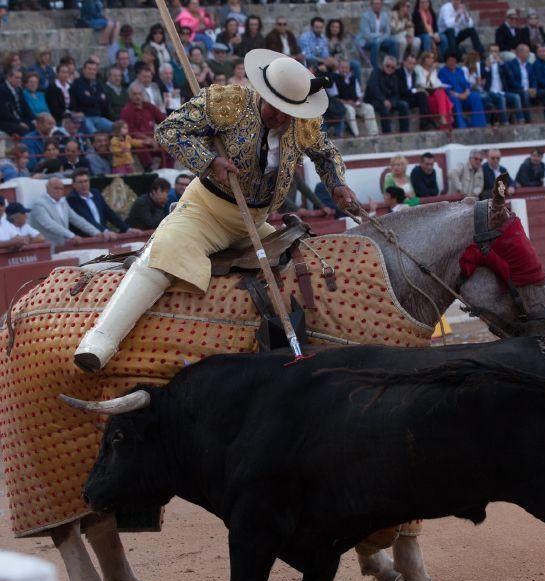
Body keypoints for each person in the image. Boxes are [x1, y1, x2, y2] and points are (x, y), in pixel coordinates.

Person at [74, 49, 358, 372]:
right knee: (164, 251)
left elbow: (325, 153)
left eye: (289, 113)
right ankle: (100, 340)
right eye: (277, 110)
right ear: (264, 94)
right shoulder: (228, 102)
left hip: (256, 220)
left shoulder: (300, 122)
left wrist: (336, 183)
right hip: (206, 212)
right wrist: (209, 162)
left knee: (299, 261)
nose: (283, 119)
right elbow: (168, 130)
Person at [29, 177, 108, 246]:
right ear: (47, 188)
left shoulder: (63, 203)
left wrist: (96, 232)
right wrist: (71, 236)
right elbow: (50, 224)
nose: (59, 191)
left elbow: (77, 220)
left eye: (61, 188)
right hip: (46, 248)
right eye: (56, 188)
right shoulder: (39, 205)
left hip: (62, 246)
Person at [66, 168, 137, 237]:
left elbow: (109, 213)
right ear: (74, 184)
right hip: (85, 238)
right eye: (80, 182)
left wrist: (127, 229)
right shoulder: (72, 199)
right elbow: (87, 219)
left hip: (103, 236)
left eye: (86, 181)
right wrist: (105, 232)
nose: (84, 184)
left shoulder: (95, 193)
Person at [120, 83, 166, 170]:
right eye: (135, 94)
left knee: (168, 146)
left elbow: (163, 120)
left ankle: (165, 170)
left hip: (153, 139)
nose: (138, 97)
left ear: (143, 95)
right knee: (140, 146)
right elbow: (130, 131)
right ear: (130, 96)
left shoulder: (149, 106)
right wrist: (147, 140)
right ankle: (148, 169)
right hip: (136, 141)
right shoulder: (126, 111)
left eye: (140, 94)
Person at [438, 51, 486, 128]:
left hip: (464, 95)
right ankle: (461, 126)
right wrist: (459, 95)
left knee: (475, 96)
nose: (452, 62)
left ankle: (478, 124)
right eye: (450, 60)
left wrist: (467, 92)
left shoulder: (459, 71)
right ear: (446, 62)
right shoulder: (442, 72)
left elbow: (466, 84)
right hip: (453, 96)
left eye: (453, 60)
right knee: (455, 100)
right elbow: (445, 88)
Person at [332, 58, 379, 136]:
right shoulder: (334, 78)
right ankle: (356, 134)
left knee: (369, 108)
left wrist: (359, 102)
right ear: (338, 68)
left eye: (346, 68)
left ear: (349, 69)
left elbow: (359, 95)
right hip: (343, 104)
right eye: (342, 67)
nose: (344, 70)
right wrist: (347, 102)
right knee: (350, 110)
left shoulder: (353, 78)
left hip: (354, 103)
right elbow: (334, 98)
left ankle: (373, 134)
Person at [365, 57, 411, 134]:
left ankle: (404, 132)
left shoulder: (394, 76)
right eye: (388, 66)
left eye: (392, 67)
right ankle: (387, 133)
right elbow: (374, 89)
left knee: (404, 105)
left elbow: (396, 94)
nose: (390, 68)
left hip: (389, 100)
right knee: (384, 108)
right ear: (383, 65)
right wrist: (383, 100)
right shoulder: (376, 73)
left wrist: (391, 102)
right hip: (375, 100)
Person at [482, 45, 523, 124]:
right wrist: (487, 67)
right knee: (501, 99)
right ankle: (504, 122)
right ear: (489, 53)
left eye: (496, 51)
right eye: (492, 51)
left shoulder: (503, 64)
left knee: (516, 97)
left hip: (502, 91)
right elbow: (482, 79)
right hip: (490, 92)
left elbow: (510, 77)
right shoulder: (483, 64)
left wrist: (501, 63)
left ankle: (521, 119)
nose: (494, 54)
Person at [504, 44, 545, 123]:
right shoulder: (510, 64)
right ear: (520, 53)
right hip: (516, 89)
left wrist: (534, 88)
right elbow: (511, 81)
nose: (529, 54)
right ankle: (527, 120)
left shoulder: (529, 65)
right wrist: (525, 89)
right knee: (524, 94)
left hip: (529, 90)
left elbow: (533, 79)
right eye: (527, 52)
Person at [71, 60, 112, 134]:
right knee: (94, 134)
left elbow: (105, 101)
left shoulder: (98, 83)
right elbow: (84, 99)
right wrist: (99, 98)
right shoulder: (78, 82)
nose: (91, 72)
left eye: (94, 69)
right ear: (84, 70)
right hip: (84, 117)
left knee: (116, 128)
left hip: (98, 117)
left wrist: (92, 98)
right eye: (89, 69)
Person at [414, 51, 452, 128]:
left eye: (433, 58)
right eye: (429, 58)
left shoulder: (434, 71)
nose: (432, 60)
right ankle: (444, 120)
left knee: (442, 93)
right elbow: (422, 83)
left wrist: (441, 86)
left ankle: (443, 119)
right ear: (424, 59)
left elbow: (438, 83)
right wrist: (431, 70)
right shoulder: (418, 68)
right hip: (426, 96)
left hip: (436, 97)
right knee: (442, 96)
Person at [0, 67, 33, 135]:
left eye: (20, 78)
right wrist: (18, 122)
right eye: (17, 78)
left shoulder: (19, 90)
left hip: (19, 119)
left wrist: (34, 119)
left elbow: (25, 106)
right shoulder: (0, 90)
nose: (19, 80)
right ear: (9, 78)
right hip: (5, 121)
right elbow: (3, 112)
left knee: (39, 126)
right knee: (23, 129)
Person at [398, 54, 436, 130]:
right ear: (404, 63)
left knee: (422, 95)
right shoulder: (399, 73)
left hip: (409, 97)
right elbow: (401, 91)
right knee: (421, 93)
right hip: (401, 97)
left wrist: (419, 90)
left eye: (414, 64)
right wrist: (416, 90)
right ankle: (428, 120)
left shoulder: (413, 74)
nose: (412, 66)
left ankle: (424, 122)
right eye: (410, 63)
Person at [357, 0, 396, 68]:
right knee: (375, 43)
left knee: (392, 42)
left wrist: (380, 39)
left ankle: (392, 64)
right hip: (366, 41)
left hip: (381, 40)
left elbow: (387, 32)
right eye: (375, 4)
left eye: (378, 4)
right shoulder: (365, 16)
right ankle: (374, 67)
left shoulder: (385, 15)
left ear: (381, 5)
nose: (377, 6)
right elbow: (366, 35)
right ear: (371, 5)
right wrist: (380, 34)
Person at [389, 0, 420, 64]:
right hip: (394, 35)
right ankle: (399, 62)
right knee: (403, 41)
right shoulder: (393, 14)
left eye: (409, 6)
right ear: (401, 6)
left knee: (417, 41)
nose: (408, 8)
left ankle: (412, 60)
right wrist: (405, 31)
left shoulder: (408, 16)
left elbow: (411, 27)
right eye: (407, 6)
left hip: (406, 35)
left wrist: (410, 36)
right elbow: (394, 29)